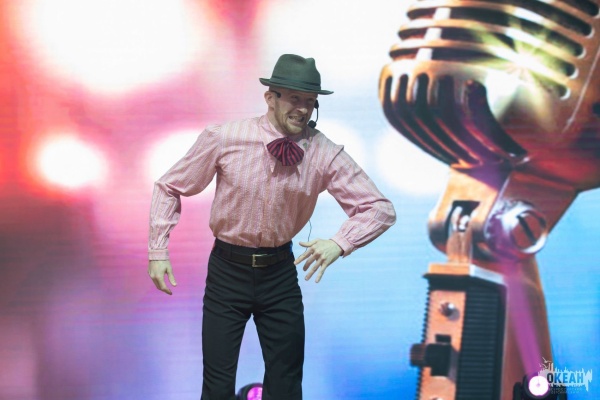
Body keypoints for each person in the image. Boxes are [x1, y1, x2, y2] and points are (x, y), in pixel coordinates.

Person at [147, 54, 396, 400]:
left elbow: (380, 208)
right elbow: (169, 186)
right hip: (227, 271)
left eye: (310, 101)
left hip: (279, 274)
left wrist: (340, 242)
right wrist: (158, 251)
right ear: (270, 98)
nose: (303, 109)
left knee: (286, 382)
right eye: (294, 98)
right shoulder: (224, 137)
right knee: (217, 384)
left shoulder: (324, 151)